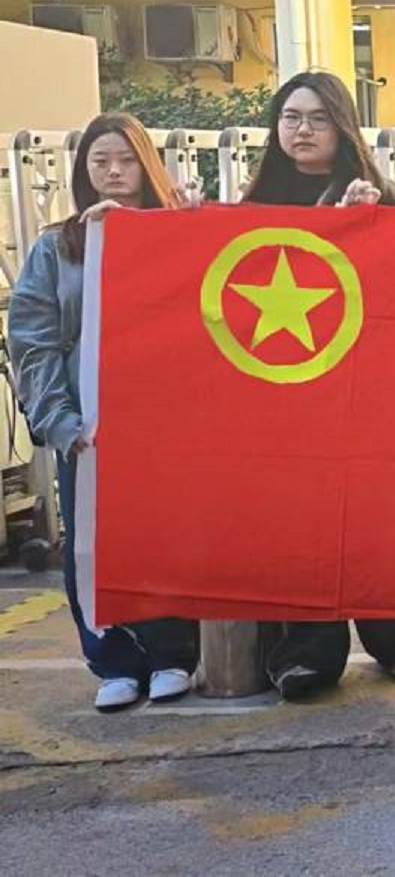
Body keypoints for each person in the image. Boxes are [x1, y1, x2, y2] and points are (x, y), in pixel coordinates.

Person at [243, 70, 395, 699]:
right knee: (295, 524)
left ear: (343, 126)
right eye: (290, 117)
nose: (302, 130)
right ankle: (305, 651)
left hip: (366, 397)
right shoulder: (251, 207)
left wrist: (369, 224)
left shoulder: (381, 198)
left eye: (317, 118)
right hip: (286, 398)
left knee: (374, 515)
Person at [7, 113, 201, 711]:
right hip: (88, 427)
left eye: (125, 160)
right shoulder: (56, 247)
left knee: (167, 540)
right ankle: (113, 660)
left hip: (165, 428)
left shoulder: (178, 231)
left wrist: (182, 224)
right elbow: (33, 339)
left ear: (148, 165)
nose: (114, 172)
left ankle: (172, 655)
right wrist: (60, 421)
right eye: (100, 162)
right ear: (83, 172)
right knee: (90, 545)